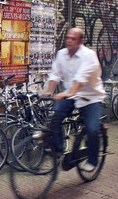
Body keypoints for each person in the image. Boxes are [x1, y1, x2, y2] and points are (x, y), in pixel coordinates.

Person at [43, 28, 105, 172]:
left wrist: (68, 93)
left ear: (81, 41)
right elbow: (55, 75)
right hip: (70, 95)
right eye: (68, 38)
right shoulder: (61, 54)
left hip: (91, 97)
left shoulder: (89, 55)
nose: (69, 41)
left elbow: (80, 79)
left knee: (92, 129)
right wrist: (49, 92)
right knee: (55, 117)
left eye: (73, 38)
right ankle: (59, 151)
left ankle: (92, 160)